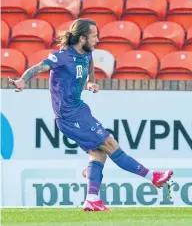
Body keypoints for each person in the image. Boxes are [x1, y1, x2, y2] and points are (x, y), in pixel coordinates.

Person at [8, 18, 173, 212]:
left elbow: (90, 62)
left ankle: (92, 198)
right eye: (94, 36)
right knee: (110, 144)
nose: (97, 39)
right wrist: (22, 80)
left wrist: (90, 81)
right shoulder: (61, 56)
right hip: (69, 116)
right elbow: (38, 67)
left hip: (80, 110)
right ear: (82, 38)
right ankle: (152, 177)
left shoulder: (86, 53)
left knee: (99, 152)